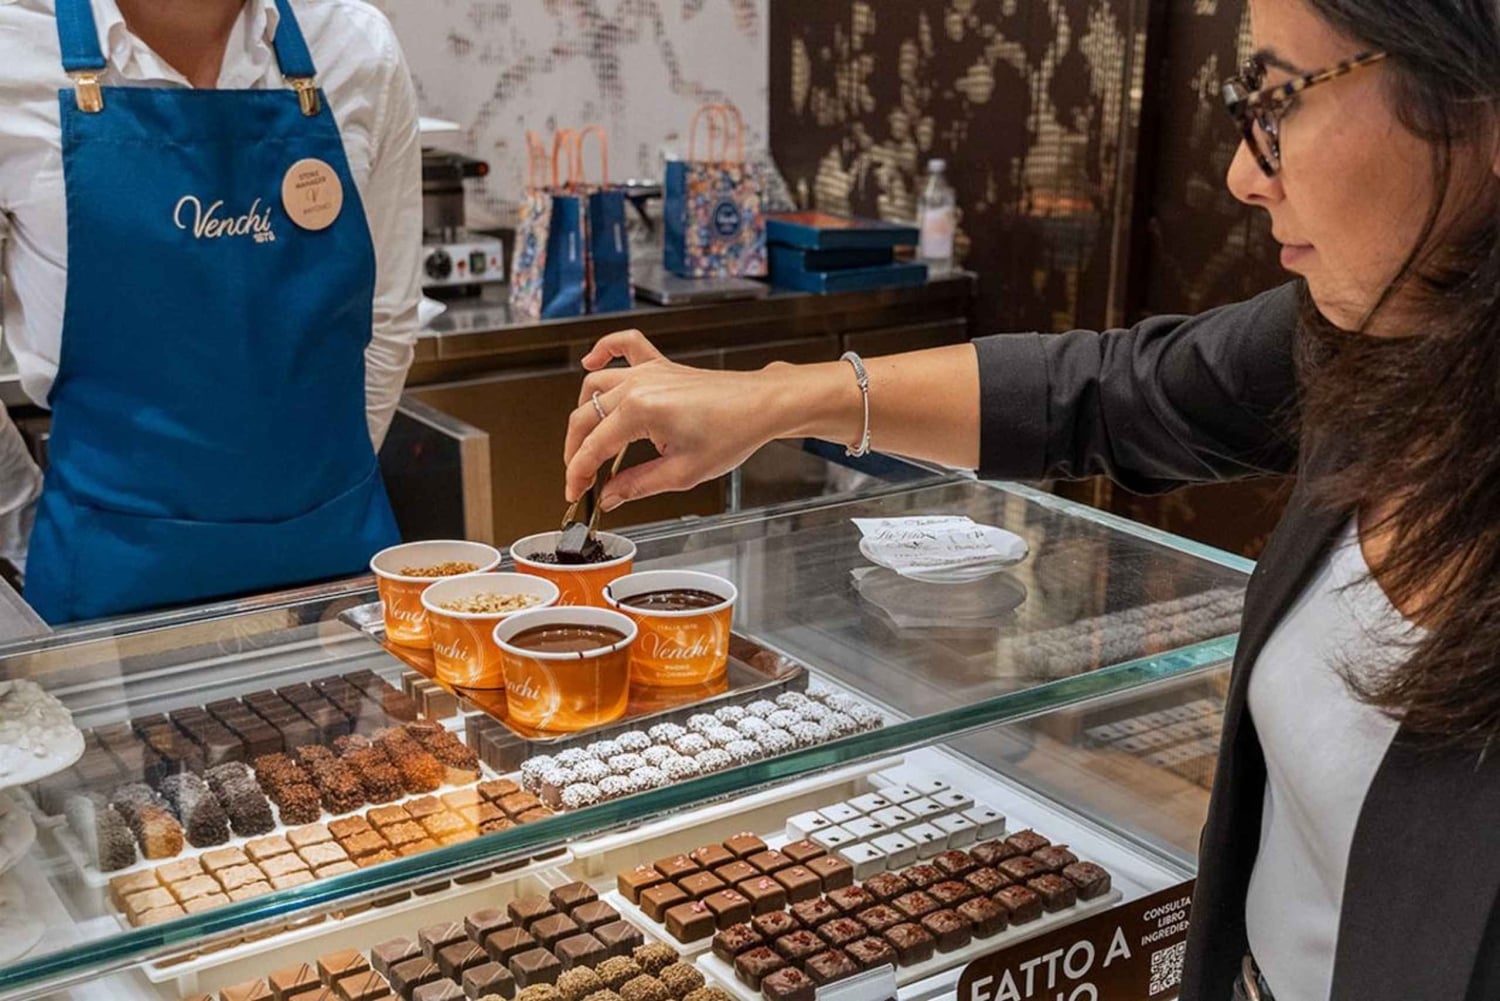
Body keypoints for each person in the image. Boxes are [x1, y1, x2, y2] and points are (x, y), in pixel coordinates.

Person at [563, 0, 1500, 998]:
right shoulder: (1385, 330)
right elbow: (1104, 390)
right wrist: (775, 398)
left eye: (1280, 101)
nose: (1242, 173)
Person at [0, 0, 422, 623]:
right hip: (106, 590)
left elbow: (386, 316)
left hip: (336, 580)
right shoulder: (14, 50)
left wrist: (325, 499)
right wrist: (28, 525)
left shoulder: (355, 45)